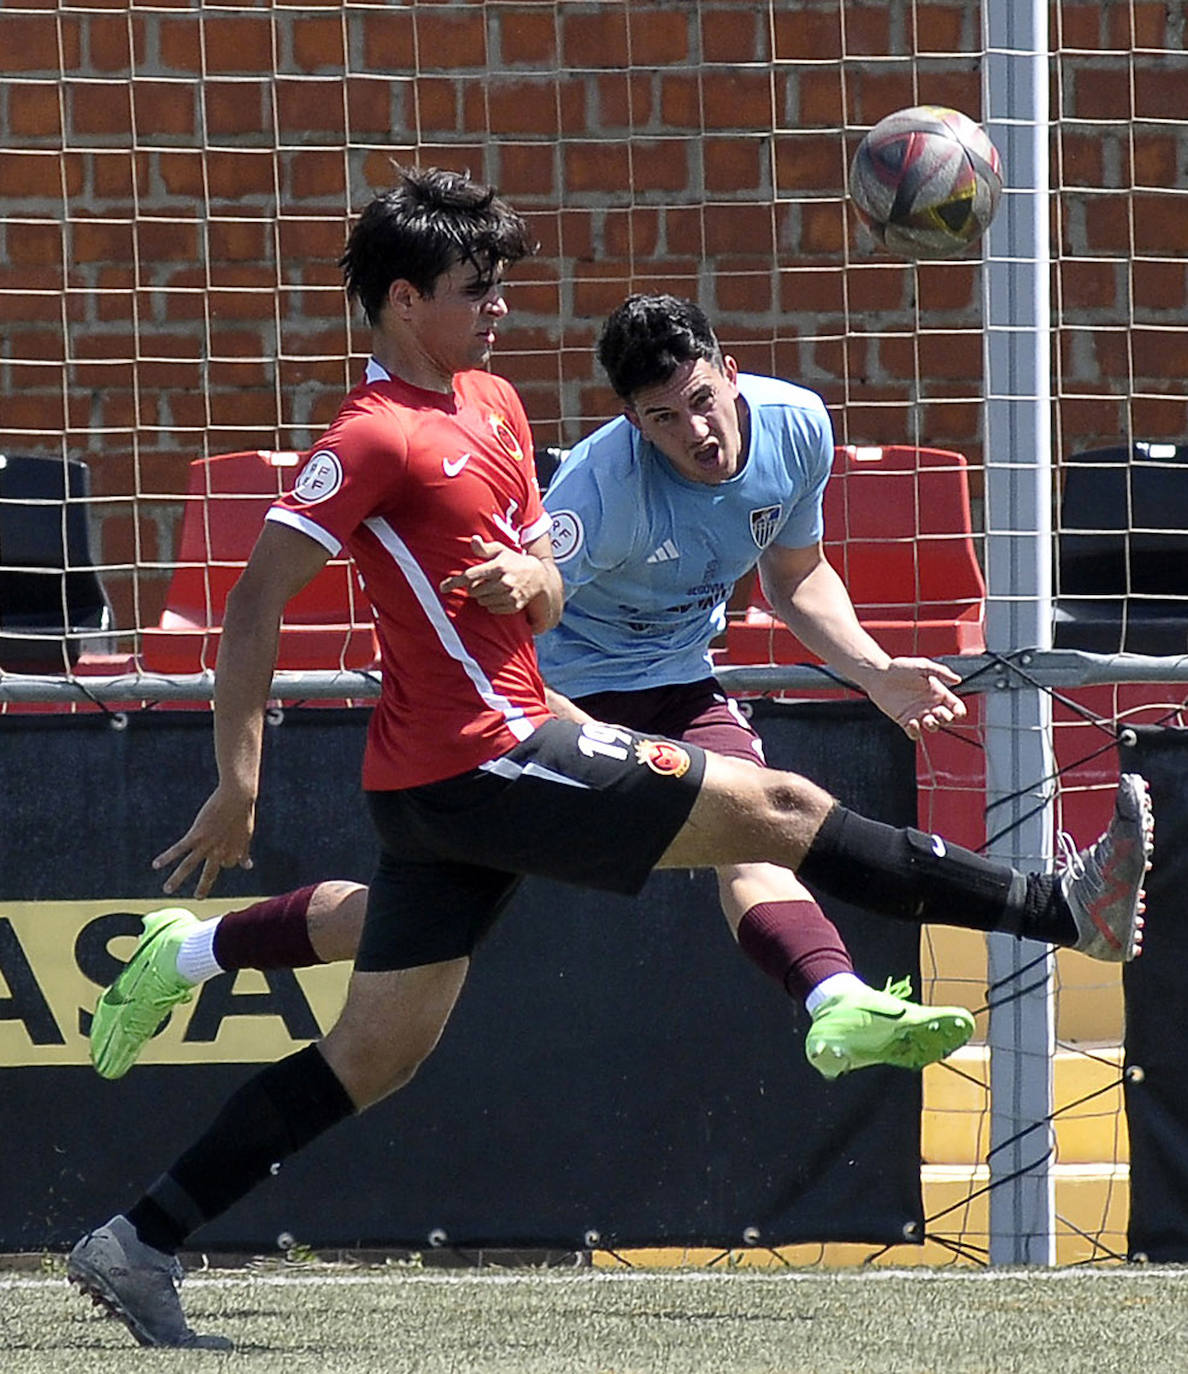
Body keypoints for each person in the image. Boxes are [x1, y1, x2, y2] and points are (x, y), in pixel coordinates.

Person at [68, 168, 1152, 1350]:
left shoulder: (491, 403)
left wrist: (533, 583)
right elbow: (256, 602)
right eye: (475, 290)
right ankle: (1061, 906)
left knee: (372, 1054)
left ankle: (139, 1239)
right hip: (485, 758)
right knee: (781, 806)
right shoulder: (368, 438)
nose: (500, 310)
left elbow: (539, 594)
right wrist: (239, 780)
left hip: (460, 770)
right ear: (398, 298)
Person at [90, 294, 987, 1086]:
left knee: (761, 837)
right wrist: (541, 688)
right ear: (634, 425)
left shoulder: (797, 429)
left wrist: (875, 671)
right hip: (549, 710)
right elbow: (517, 611)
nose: (699, 432)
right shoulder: (599, 495)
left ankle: (835, 1004)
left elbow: (798, 576)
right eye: (665, 419)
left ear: (731, 372)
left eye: (704, 401)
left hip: (678, 685)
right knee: (402, 922)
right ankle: (192, 949)